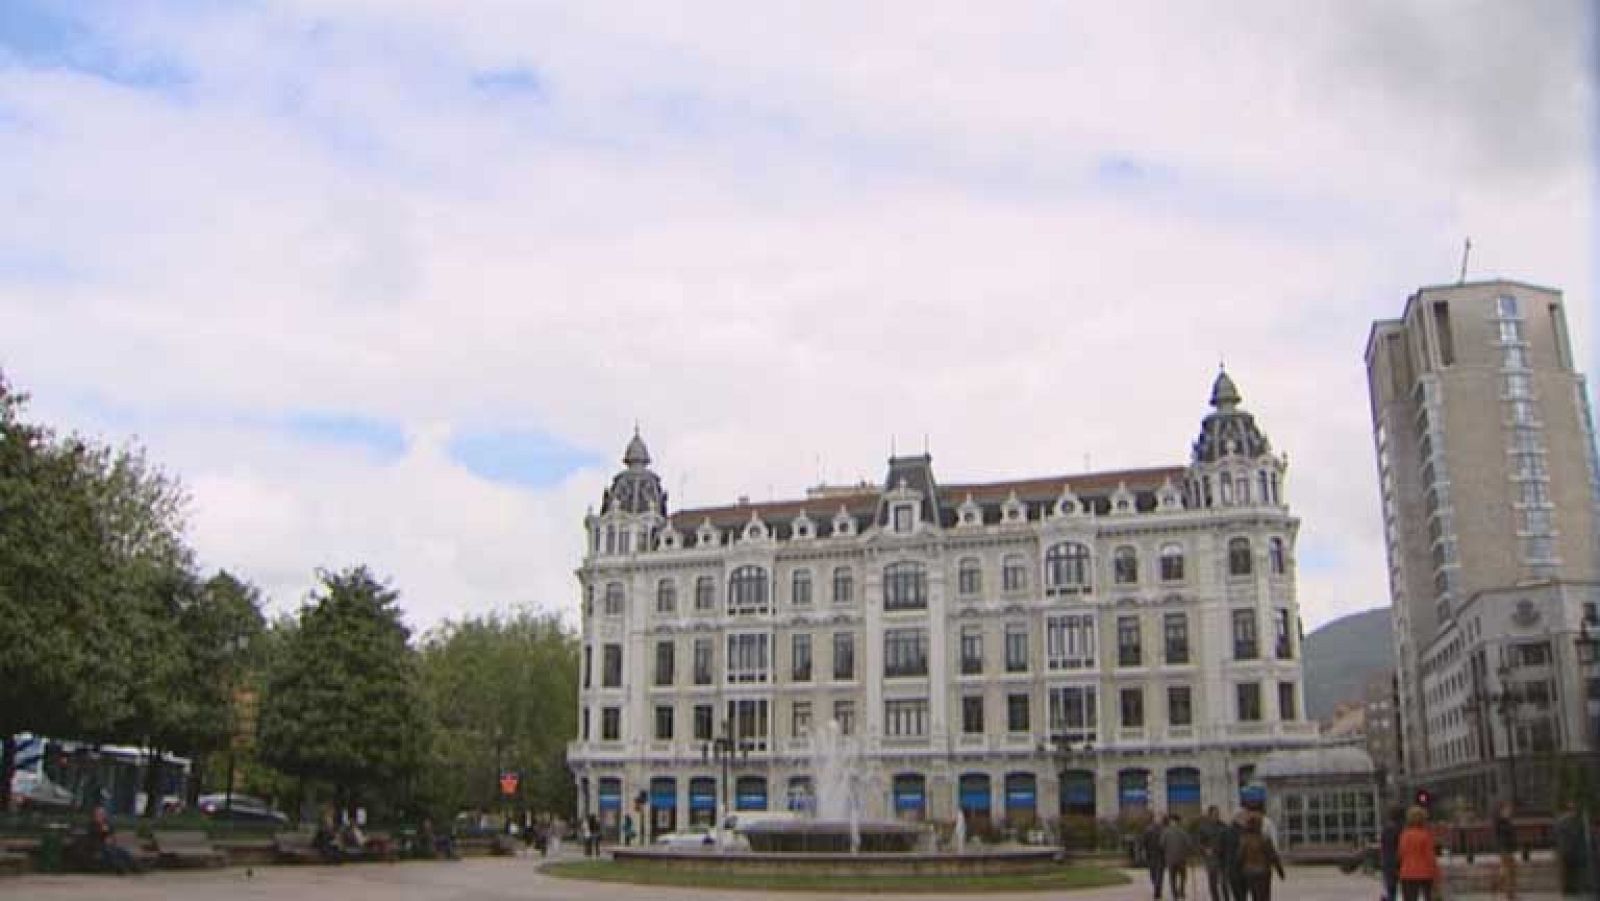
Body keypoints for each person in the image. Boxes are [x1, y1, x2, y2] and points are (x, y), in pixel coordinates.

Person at [1236, 813, 1285, 901]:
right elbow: (1273, 856)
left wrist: (1238, 871)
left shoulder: (1244, 840)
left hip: (1249, 872)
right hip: (1263, 872)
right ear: (1259, 826)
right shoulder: (1264, 839)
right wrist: (1280, 871)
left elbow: (1239, 857)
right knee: (1264, 895)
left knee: (1254, 895)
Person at [1397, 805, 1440, 901]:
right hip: (1425, 872)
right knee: (1429, 897)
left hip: (1407, 872)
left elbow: (1400, 854)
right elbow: (1430, 857)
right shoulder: (1425, 835)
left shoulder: (1404, 835)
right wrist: (1436, 874)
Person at [85, 805, 140, 875]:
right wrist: (103, 831)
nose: (101, 816)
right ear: (95, 815)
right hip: (97, 846)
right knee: (109, 852)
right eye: (99, 814)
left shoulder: (107, 824)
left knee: (122, 851)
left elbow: (111, 835)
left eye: (102, 814)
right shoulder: (92, 824)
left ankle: (134, 866)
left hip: (109, 845)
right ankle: (120, 867)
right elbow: (94, 835)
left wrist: (110, 838)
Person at [1197, 806, 1229, 901]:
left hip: (1223, 858)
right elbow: (1199, 843)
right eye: (1215, 814)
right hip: (1211, 859)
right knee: (1213, 882)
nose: (1217, 816)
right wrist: (1205, 849)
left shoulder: (1223, 826)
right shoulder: (1203, 827)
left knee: (1224, 882)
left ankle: (1226, 898)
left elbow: (1228, 840)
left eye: (1218, 814)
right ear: (1209, 815)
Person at [1554, 802, 1585, 896]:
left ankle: (1573, 889)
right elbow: (1561, 833)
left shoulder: (1575, 821)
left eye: (1574, 809)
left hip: (1573, 850)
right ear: (1568, 810)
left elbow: (1579, 834)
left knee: (1573, 871)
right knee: (1565, 872)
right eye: (1572, 810)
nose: (1574, 812)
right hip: (1565, 849)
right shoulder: (1562, 820)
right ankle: (1564, 890)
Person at [1164, 814, 1194, 901]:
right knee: (1181, 876)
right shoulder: (1183, 832)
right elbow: (1189, 844)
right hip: (1180, 858)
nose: (1172, 823)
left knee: (1174, 877)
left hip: (1173, 859)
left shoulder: (1166, 832)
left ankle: (1176, 893)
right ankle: (1180, 892)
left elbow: (1161, 844)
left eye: (1172, 821)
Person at [1492, 801, 1518, 900]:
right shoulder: (1500, 822)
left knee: (1507, 870)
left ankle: (1496, 884)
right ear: (1501, 811)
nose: (1509, 811)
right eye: (1507, 809)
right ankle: (1510, 894)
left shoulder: (1507, 821)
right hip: (1504, 848)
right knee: (1509, 870)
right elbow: (1502, 836)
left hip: (1509, 848)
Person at [1379, 806, 1404, 901]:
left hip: (1388, 862)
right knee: (1404, 890)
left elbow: (1383, 845)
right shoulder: (1400, 829)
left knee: (1390, 889)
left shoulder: (1386, 828)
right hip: (1399, 862)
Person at [1144, 812, 1169, 900]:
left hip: (1161, 855)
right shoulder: (1148, 829)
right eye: (1157, 818)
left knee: (1159, 874)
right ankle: (1157, 887)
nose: (1159, 820)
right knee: (1153, 874)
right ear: (1154, 819)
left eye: (1160, 818)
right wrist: (1145, 853)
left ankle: (1157, 891)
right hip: (1151, 854)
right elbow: (1145, 842)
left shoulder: (1165, 830)